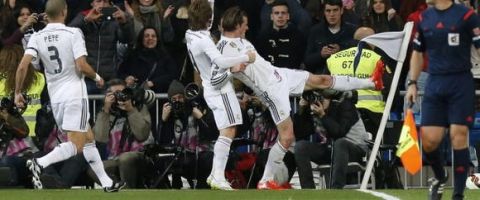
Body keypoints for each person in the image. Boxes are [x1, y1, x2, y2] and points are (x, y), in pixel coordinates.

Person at [215, 6, 383, 189]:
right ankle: (265, 180)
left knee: (322, 80)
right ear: (238, 25)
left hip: (280, 74)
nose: (247, 28)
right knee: (287, 137)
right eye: (245, 25)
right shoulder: (223, 49)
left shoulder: (241, 40)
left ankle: (371, 82)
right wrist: (235, 69)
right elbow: (218, 75)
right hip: (271, 90)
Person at [13, 0, 124, 192]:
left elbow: (23, 65)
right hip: (74, 95)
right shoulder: (73, 33)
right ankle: (39, 163)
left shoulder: (37, 37)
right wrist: (97, 76)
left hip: (56, 99)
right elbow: (81, 65)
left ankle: (107, 183)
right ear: (64, 11)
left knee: (88, 138)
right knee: (77, 145)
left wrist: (17, 92)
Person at [405, 0, 480, 199]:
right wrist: (412, 82)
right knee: (429, 141)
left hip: (460, 82)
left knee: (458, 134)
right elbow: (418, 53)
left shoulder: (466, 15)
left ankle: (457, 195)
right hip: (434, 82)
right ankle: (440, 176)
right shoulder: (424, 17)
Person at [184, 0, 256, 190]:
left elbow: (208, 9)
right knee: (229, 130)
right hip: (219, 87)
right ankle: (217, 175)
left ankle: (216, 175)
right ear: (208, 20)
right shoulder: (205, 40)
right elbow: (221, 61)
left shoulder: (190, 34)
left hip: (210, 86)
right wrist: (244, 58)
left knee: (227, 130)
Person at [294, 91, 369, 189]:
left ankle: (336, 191)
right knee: (300, 147)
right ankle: (309, 191)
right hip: (331, 149)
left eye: (321, 98)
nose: (318, 102)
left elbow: (339, 132)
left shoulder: (344, 105)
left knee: (340, 143)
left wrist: (323, 115)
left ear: (329, 97)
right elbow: (300, 134)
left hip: (355, 150)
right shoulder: (314, 110)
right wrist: (301, 110)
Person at [156, 80, 217, 189]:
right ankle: (169, 188)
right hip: (179, 156)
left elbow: (211, 135)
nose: (177, 101)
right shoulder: (170, 116)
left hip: (198, 155)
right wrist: (164, 121)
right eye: (173, 99)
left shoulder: (196, 109)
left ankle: (202, 185)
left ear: (185, 97)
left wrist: (200, 118)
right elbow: (161, 142)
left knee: (208, 157)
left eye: (180, 97)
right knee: (161, 160)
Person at [93, 79, 152, 188]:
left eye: (122, 93)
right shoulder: (108, 112)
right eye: (116, 94)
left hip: (141, 155)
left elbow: (142, 135)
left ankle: (126, 193)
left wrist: (130, 110)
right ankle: (119, 188)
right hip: (116, 158)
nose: (120, 97)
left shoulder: (139, 107)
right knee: (94, 168)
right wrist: (106, 110)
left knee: (125, 158)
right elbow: (100, 138)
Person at [68, 0, 134, 94]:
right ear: (92, 3)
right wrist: (86, 20)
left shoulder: (114, 20)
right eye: (98, 1)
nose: (102, 5)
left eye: (106, 2)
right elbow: (68, 33)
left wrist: (124, 23)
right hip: (86, 76)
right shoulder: (83, 16)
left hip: (108, 77)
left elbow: (127, 40)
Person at [304, 0, 357, 74]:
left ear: (341, 10)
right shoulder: (315, 31)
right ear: (324, 12)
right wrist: (321, 55)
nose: (332, 14)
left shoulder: (352, 31)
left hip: (345, 76)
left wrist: (340, 50)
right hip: (321, 77)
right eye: (328, 11)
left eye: (335, 10)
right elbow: (307, 61)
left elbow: (358, 56)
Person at [255, 0, 306, 69]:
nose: (280, 16)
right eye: (276, 13)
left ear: (288, 16)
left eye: (283, 13)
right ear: (271, 16)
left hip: (291, 75)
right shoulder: (262, 36)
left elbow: (299, 61)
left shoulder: (298, 36)